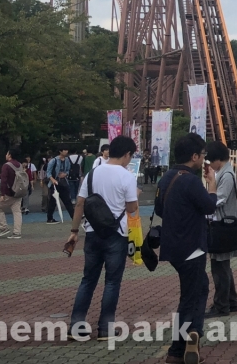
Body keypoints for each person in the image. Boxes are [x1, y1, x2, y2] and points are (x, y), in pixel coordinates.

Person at [65, 136, 140, 339]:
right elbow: (131, 208)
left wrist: (74, 231)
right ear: (127, 154)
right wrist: (136, 196)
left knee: (88, 280)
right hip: (117, 234)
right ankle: (105, 328)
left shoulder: (92, 173)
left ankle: (76, 326)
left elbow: (80, 203)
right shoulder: (126, 176)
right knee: (112, 282)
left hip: (92, 232)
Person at [156, 133, 218, 364]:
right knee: (190, 297)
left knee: (199, 288)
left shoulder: (167, 177)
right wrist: (212, 185)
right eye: (202, 155)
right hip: (192, 246)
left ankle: (194, 333)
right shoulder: (190, 180)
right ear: (194, 156)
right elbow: (209, 206)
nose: (204, 159)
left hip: (172, 246)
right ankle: (179, 347)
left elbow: (160, 209)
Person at [205, 141, 237, 318]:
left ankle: (221, 306)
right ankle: (231, 302)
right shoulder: (224, 172)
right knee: (223, 266)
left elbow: (219, 199)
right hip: (223, 225)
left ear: (218, 159)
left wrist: (206, 201)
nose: (210, 165)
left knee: (219, 267)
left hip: (222, 226)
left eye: (211, 161)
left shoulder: (226, 175)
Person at [0, 148, 24, 239]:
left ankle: (3, 228)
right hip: (18, 192)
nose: (6, 155)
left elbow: (4, 180)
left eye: (7, 153)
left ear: (10, 155)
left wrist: (2, 194)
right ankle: (17, 232)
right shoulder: (19, 165)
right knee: (17, 212)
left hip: (8, 193)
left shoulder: (6, 165)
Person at [47, 147, 75, 223]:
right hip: (54, 183)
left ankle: (74, 216)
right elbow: (48, 173)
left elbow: (68, 170)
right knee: (53, 202)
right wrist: (53, 180)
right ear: (60, 151)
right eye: (64, 150)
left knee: (67, 200)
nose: (66, 151)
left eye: (67, 150)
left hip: (64, 182)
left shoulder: (67, 160)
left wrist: (65, 174)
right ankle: (49, 218)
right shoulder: (54, 160)